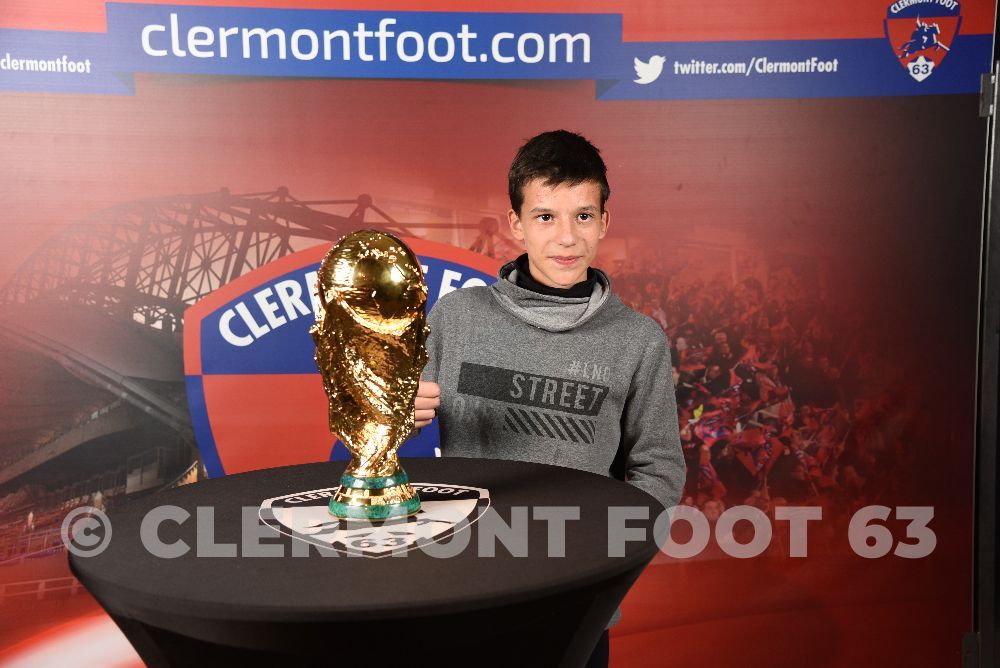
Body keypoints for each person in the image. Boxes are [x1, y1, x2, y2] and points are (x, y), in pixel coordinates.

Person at [412, 130, 685, 667]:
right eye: (545, 216)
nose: (566, 237)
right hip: (465, 587)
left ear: (604, 221)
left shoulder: (638, 340)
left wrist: (608, 557)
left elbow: (659, 468)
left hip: (577, 601)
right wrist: (393, 415)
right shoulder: (456, 318)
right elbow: (386, 429)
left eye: (582, 216)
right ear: (516, 223)